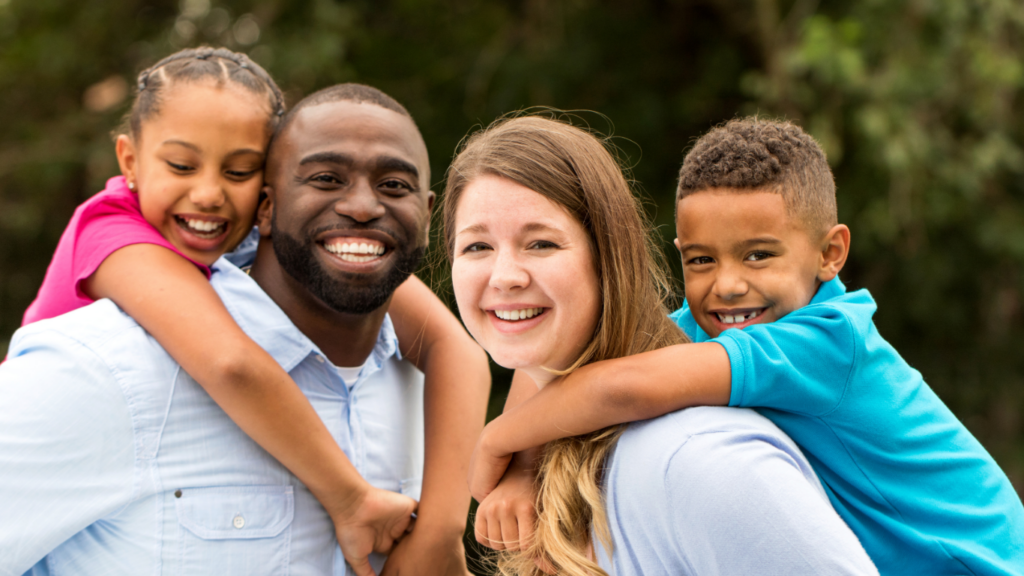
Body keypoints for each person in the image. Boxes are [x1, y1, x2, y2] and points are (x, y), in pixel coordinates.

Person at [468, 118, 1024, 574]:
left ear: (830, 253)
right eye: (701, 260)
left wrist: (499, 441)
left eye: (758, 255)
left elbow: (621, 385)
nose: (727, 284)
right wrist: (524, 469)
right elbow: (563, 364)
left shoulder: (828, 341)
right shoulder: (712, 328)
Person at [15, 48, 487, 575]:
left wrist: (443, 530)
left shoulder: (248, 245)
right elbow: (230, 362)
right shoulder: (119, 246)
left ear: (264, 194)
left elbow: (455, 348)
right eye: (180, 165)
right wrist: (350, 497)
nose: (209, 193)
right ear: (129, 160)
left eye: (238, 170)